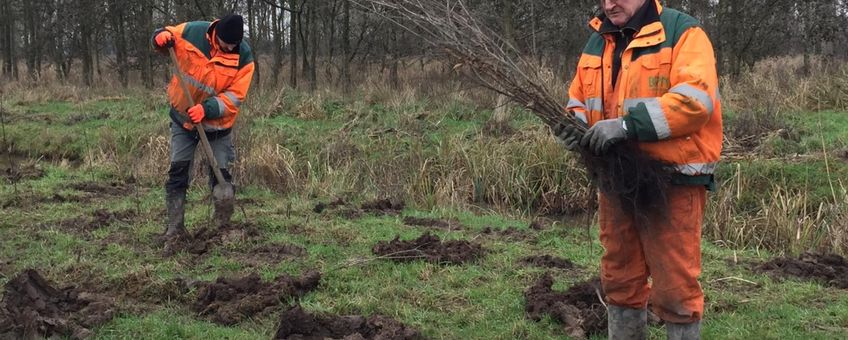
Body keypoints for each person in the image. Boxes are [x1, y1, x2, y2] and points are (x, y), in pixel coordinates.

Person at [554, 0, 722, 339]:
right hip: (616, 179)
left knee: (675, 286)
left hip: (673, 180)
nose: (609, 4)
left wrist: (627, 126)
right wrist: (572, 126)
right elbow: (579, 101)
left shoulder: (682, 32)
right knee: (619, 276)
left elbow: (695, 102)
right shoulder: (598, 41)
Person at [150, 14, 255, 240]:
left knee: (221, 176)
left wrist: (206, 109)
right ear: (217, 34)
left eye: (234, 45)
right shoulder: (192, 32)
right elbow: (165, 35)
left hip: (217, 126)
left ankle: (222, 229)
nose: (229, 48)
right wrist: (159, 37)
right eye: (226, 43)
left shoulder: (244, 57)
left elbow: (235, 97)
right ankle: (175, 230)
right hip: (183, 119)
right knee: (178, 172)